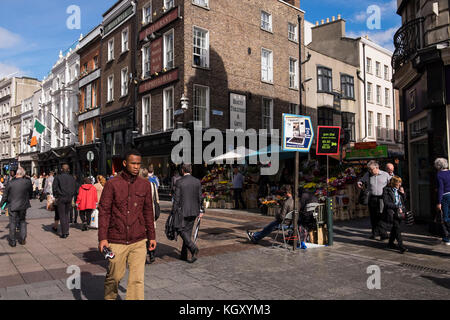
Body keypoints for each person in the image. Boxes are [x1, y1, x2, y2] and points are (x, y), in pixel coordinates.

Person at [98, 149, 156, 300]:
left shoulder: (145, 185)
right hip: (116, 239)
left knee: (137, 280)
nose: (137, 167)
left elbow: (148, 211)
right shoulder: (112, 184)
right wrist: (102, 238)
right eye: (133, 163)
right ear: (125, 163)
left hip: (139, 239)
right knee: (114, 277)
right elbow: (104, 212)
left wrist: (152, 237)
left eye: (139, 163)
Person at [173, 164, 203, 263]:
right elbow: (200, 197)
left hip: (182, 211)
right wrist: (201, 210)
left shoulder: (179, 182)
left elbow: (176, 199)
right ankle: (183, 255)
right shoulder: (197, 181)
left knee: (180, 229)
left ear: (182, 170)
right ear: (190, 170)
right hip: (194, 210)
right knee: (188, 232)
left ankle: (193, 248)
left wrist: (174, 211)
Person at [357, 160, 391, 240]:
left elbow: (391, 183)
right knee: (373, 216)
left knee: (381, 216)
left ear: (377, 167)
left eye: (371, 169)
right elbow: (361, 180)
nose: (370, 171)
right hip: (372, 198)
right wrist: (359, 183)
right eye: (369, 169)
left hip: (382, 198)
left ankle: (383, 234)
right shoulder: (368, 174)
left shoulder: (385, 175)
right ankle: (375, 233)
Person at [0, 167, 33, 247]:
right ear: (23, 174)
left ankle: (13, 241)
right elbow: (31, 194)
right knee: (22, 221)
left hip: (12, 205)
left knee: (12, 222)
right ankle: (22, 239)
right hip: (23, 205)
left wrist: (1, 205)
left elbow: (5, 195)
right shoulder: (27, 182)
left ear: (16, 174)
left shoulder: (11, 183)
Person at [382, 176, 408, 253]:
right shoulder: (386, 190)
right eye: (398, 182)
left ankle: (390, 243)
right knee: (397, 228)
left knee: (395, 228)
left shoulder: (399, 190)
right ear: (394, 183)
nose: (400, 184)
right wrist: (396, 207)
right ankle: (401, 246)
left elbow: (404, 200)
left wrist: (403, 194)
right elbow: (386, 203)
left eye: (400, 182)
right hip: (392, 212)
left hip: (400, 212)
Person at [139, 168, 159, 264]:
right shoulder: (153, 185)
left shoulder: (137, 185)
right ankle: (151, 254)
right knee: (151, 233)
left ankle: (143, 255)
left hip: (141, 213)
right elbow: (157, 200)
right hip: (151, 212)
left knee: (142, 235)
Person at [52, 165, 76, 238]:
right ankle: (67, 230)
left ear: (62, 169)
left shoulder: (58, 177)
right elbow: (74, 187)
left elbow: (54, 187)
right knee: (66, 214)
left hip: (61, 197)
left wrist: (56, 196)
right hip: (69, 197)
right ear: (68, 170)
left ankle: (64, 232)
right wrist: (72, 195)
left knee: (62, 215)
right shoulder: (72, 178)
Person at [435, 158, 450, 245]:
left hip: (445, 197)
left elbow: (441, 189)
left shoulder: (439, 174)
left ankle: (447, 238)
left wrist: (439, 202)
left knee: (445, 217)